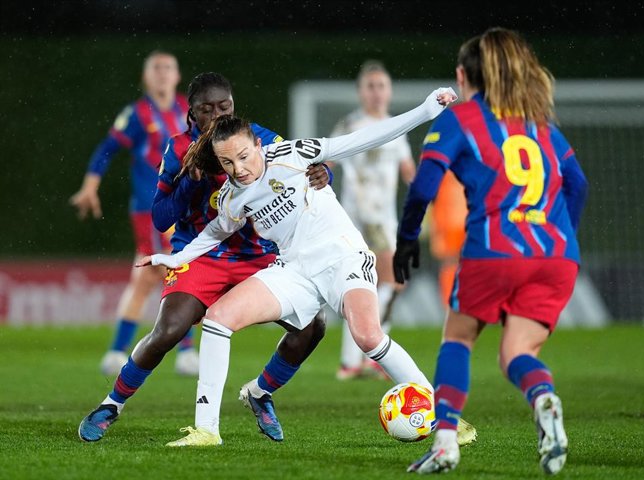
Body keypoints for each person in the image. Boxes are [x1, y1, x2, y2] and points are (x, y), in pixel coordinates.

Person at [138, 87, 458, 447]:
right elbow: (214, 232)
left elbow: (363, 138)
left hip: (343, 257)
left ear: (257, 145)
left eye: (244, 156)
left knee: (367, 336)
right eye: (228, 163)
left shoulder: (293, 153)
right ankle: (207, 431)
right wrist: (176, 258)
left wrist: (425, 111)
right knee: (217, 318)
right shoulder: (232, 195)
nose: (239, 169)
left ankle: (444, 419)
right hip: (294, 270)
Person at [78, 72, 331, 444]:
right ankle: (112, 404)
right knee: (168, 331)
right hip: (202, 255)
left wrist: (323, 175)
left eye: (223, 106)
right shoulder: (179, 149)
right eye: (206, 109)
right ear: (190, 115)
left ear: (233, 106)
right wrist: (190, 182)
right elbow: (161, 217)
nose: (215, 115)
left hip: (258, 257)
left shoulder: (260, 140)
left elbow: (301, 170)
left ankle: (261, 392)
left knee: (313, 325)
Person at [395, 28, 588, 475]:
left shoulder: (460, 119)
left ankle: (444, 443)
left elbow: (424, 187)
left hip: (494, 250)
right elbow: (578, 183)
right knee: (517, 353)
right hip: (557, 256)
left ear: (463, 75)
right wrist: (562, 238)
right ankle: (544, 399)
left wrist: (407, 238)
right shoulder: (539, 122)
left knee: (458, 338)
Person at [69, 50, 197, 376]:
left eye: (169, 67)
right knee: (172, 272)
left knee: (160, 274)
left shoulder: (188, 109)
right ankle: (183, 351)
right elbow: (107, 149)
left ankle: (122, 351)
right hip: (150, 209)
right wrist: (89, 186)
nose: (163, 73)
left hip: (184, 204)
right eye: (156, 68)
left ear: (178, 75)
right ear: (146, 77)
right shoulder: (138, 113)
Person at [329, 60, 416, 381]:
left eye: (382, 86)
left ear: (389, 91)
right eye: (371, 86)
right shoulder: (351, 125)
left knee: (373, 285)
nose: (377, 92)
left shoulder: (396, 127)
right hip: (360, 220)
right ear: (361, 91)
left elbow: (409, 173)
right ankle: (366, 357)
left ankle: (356, 360)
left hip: (383, 219)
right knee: (390, 283)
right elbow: (326, 163)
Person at [429, 172, 468, 304]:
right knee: (451, 261)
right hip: (448, 216)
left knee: (463, 261)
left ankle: (460, 305)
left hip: (464, 214)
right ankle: (452, 304)